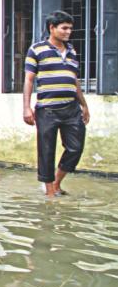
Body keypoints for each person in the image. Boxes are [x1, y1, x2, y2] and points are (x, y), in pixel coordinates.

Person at [22, 10, 90, 197]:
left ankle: (57, 182)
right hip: (47, 109)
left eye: (70, 28)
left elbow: (74, 80)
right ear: (52, 28)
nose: (68, 32)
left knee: (75, 148)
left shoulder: (72, 51)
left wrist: (84, 104)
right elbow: (29, 80)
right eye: (64, 28)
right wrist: (26, 107)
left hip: (71, 109)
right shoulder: (36, 49)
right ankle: (50, 194)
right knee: (46, 151)